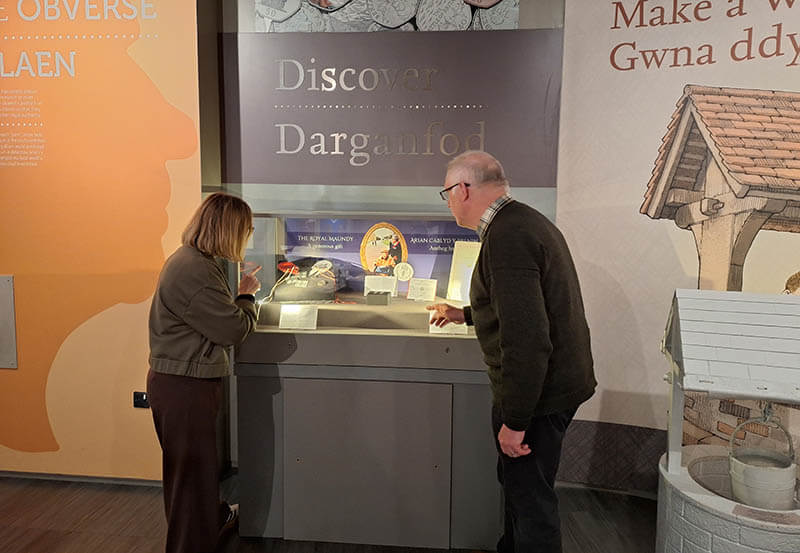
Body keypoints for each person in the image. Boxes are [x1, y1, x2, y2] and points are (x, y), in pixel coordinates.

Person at [427, 151, 596, 553]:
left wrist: (516, 421)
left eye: (446, 193)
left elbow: (527, 337)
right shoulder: (523, 222)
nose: (448, 202)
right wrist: (466, 313)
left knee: (530, 500)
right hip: (551, 388)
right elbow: (525, 307)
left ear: (463, 189)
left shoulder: (507, 237)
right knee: (521, 491)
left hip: (537, 397)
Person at [147, 193, 262, 553]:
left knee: (191, 478)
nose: (248, 236)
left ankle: (211, 525)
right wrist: (246, 298)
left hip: (183, 383)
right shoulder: (194, 269)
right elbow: (231, 330)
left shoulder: (194, 261)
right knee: (190, 482)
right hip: (185, 387)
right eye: (246, 229)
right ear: (229, 229)